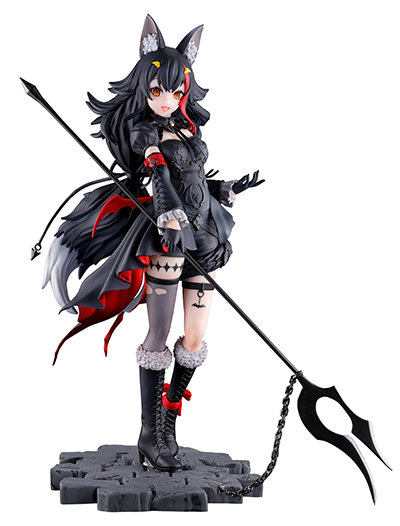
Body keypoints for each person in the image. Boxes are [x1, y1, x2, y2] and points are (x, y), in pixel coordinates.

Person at [43, 15, 264, 471]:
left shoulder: (189, 130)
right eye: (158, 91)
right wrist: (167, 214)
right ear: (144, 87)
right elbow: (161, 175)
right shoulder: (147, 132)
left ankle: (168, 420)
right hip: (167, 239)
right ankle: (150, 434)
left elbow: (192, 179)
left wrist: (226, 189)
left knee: (196, 337)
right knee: (159, 335)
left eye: (176, 92)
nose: (166, 100)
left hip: (204, 236)